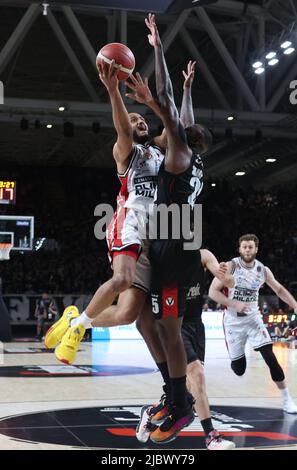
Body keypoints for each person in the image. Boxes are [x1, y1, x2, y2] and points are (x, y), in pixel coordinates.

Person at [45, 58, 167, 362]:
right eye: (134, 119)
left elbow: (176, 125)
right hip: (129, 222)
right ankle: (79, 328)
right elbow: (123, 129)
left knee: (127, 314)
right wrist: (113, 90)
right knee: (122, 279)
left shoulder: (160, 151)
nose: (139, 123)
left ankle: (75, 320)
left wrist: (151, 100)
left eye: (143, 121)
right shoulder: (127, 151)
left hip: (155, 235)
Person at [142, 13, 213, 444]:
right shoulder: (195, 157)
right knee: (154, 324)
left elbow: (166, 104)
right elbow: (181, 114)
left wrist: (158, 48)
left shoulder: (180, 153)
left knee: (164, 327)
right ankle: (175, 395)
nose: (166, 133)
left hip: (174, 244)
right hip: (183, 240)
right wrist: (189, 89)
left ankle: (180, 403)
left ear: (183, 141)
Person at [136, 248, 236, 450]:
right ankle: (211, 436)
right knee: (197, 374)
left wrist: (226, 276)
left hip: (196, 325)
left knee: (189, 389)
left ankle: (151, 414)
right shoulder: (164, 257)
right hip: (175, 322)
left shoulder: (204, 255)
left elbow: (222, 276)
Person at [208, 233, 297, 414]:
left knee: (270, 357)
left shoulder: (263, 270)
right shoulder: (230, 266)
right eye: (244, 247)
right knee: (239, 369)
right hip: (233, 322)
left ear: (256, 249)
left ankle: (287, 399)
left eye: (251, 247)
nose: (247, 249)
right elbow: (212, 292)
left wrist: (295, 305)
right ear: (239, 249)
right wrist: (234, 304)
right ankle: (239, 355)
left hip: (253, 318)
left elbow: (278, 289)